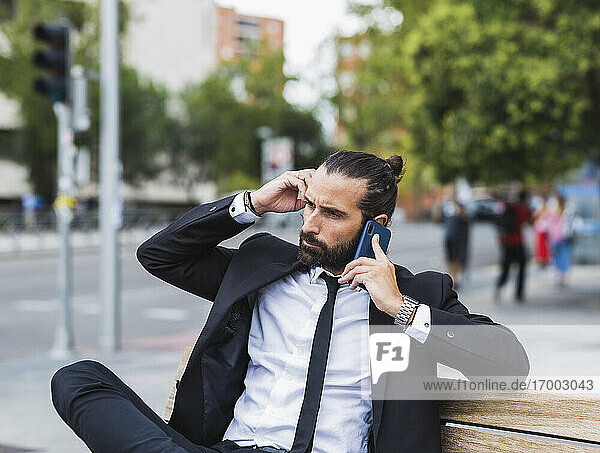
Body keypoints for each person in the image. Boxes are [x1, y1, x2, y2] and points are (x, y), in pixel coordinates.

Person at [51, 151, 529, 453]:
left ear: (376, 226)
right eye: (310, 206)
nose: (309, 223)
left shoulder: (418, 294)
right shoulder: (263, 266)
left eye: (331, 213)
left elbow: (509, 364)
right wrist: (252, 205)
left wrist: (402, 310)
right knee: (77, 379)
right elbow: (158, 255)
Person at [495, 190, 531, 302]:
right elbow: (526, 221)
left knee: (505, 267)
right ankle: (519, 293)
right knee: (522, 266)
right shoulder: (521, 208)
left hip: (507, 242)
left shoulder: (507, 207)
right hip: (517, 241)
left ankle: (499, 286)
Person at [547, 195, 578, 287]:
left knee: (562, 258)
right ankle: (561, 278)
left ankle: (562, 278)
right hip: (557, 238)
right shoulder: (558, 210)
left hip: (562, 238)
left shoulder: (567, 210)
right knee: (560, 258)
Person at [442, 200, 469, 289]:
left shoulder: (463, 217)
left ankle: (454, 279)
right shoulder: (450, 216)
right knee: (450, 262)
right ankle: (451, 279)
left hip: (459, 242)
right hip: (450, 241)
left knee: (456, 261)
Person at [532, 196, 551, 268]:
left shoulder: (545, 211)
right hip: (540, 229)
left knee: (543, 246)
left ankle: (544, 259)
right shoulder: (541, 211)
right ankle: (542, 259)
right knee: (540, 246)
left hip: (543, 229)